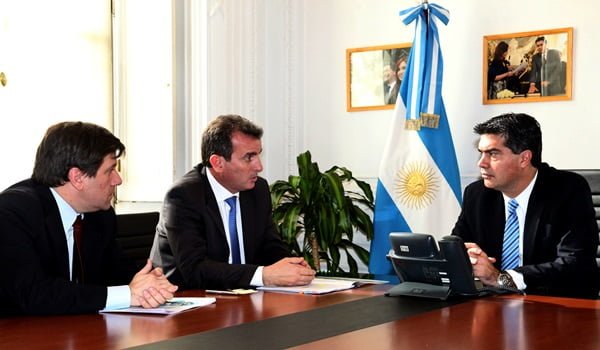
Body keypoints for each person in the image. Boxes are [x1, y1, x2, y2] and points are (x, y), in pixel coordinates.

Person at [0, 121, 178, 316]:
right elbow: (34, 294)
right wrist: (128, 294)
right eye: (110, 170)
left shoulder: (99, 214)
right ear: (77, 177)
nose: (118, 180)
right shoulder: (12, 214)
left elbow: (118, 272)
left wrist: (151, 283)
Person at [150, 114, 315, 290]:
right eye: (248, 157)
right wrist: (264, 275)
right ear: (218, 163)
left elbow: (269, 245)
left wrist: (291, 266)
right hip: (188, 302)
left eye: (258, 155)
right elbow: (196, 270)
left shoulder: (257, 189)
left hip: (242, 299)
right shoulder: (183, 197)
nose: (259, 167)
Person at [452, 113, 600, 299]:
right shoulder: (477, 194)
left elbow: (574, 262)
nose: (481, 163)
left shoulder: (568, 191)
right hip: (495, 304)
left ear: (524, 158)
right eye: (481, 153)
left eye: (493, 154)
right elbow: (458, 245)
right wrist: (467, 257)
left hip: (558, 306)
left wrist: (501, 278)